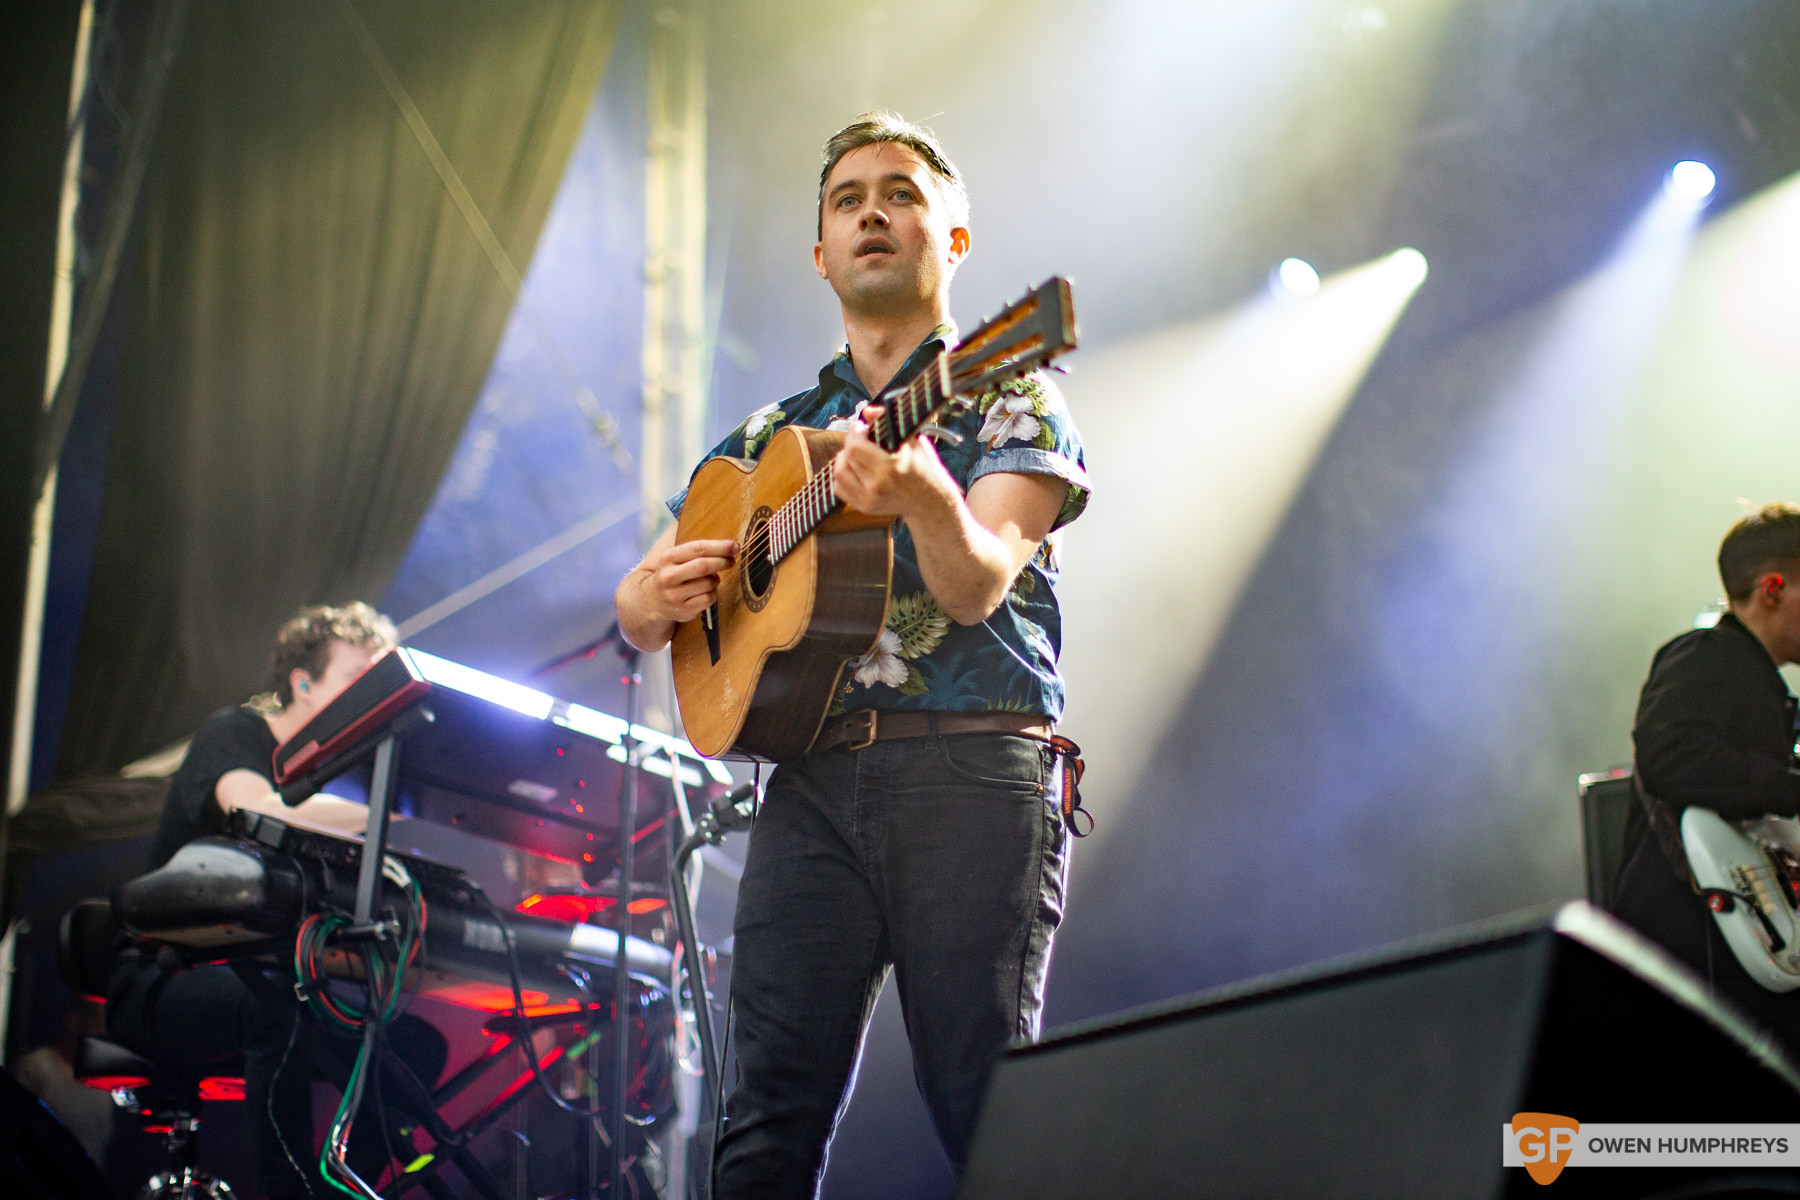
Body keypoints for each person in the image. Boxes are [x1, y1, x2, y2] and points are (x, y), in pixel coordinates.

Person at [615, 112, 1090, 1194]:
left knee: (988, 1104)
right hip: (812, 787)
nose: (873, 209)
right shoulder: (765, 438)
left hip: (973, 773)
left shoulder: (1011, 390)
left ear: (953, 242)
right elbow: (655, 599)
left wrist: (923, 491)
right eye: (848, 198)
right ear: (820, 252)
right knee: (760, 1124)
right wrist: (642, 601)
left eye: (904, 193)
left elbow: (975, 587)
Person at [107, 603, 446, 1198]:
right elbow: (254, 808)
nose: (369, 694)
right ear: (304, 683)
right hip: (158, 983)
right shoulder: (235, 734)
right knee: (275, 1006)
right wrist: (386, 823)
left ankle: (339, 1190)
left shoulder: (335, 784)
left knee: (416, 1047)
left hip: (268, 983)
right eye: (354, 678)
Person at [1612, 504, 1800, 1049]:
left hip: (1744, 946)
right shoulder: (1703, 656)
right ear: (1772, 588)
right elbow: (1670, 755)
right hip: (1690, 953)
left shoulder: (1767, 687)